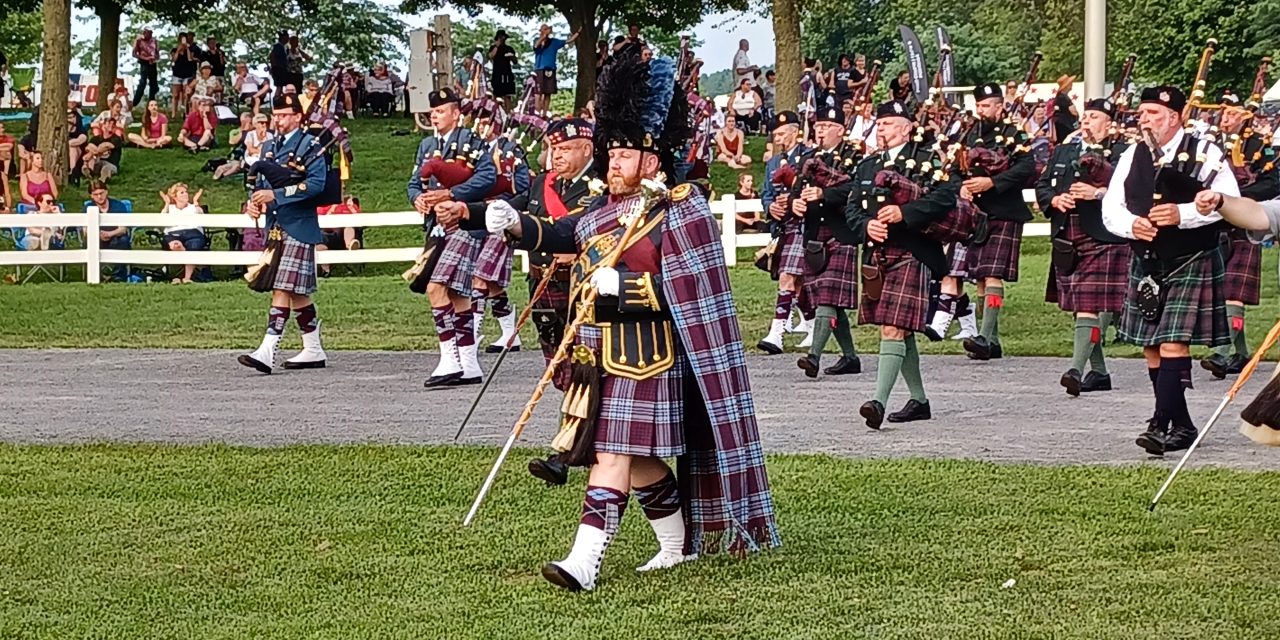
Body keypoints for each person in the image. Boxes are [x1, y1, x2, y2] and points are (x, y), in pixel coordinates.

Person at [457, 51, 779, 592]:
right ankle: (677, 547)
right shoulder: (602, 209)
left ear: (652, 162)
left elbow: (694, 291)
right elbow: (564, 235)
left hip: (650, 353)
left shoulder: (683, 208)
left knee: (610, 454)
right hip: (596, 351)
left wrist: (626, 287)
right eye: (611, 155)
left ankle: (584, 562)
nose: (613, 165)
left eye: (624, 156)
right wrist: (516, 225)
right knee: (642, 458)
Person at [1100, 85, 1239, 457]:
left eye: (1154, 114)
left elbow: (1229, 203)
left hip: (1190, 258)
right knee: (1151, 347)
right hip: (1147, 261)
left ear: (1175, 117)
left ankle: (1161, 424)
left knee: (1172, 342)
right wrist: (1132, 226)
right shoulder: (1133, 154)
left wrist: (1185, 214)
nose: (1144, 120)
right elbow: (1112, 207)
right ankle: (1183, 425)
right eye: (1142, 114)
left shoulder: (1206, 153)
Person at [463, 117, 599, 489]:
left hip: (579, 287)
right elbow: (515, 206)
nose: (557, 156)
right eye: (553, 149)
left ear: (586, 149)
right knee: (561, 372)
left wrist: (520, 223)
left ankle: (567, 453)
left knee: (581, 372)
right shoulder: (544, 182)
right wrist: (466, 211)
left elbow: (570, 227)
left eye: (566, 149)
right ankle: (585, 444)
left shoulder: (598, 185)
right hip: (543, 285)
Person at [847, 100, 959, 428]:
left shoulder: (925, 160)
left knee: (893, 327)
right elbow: (853, 209)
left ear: (906, 128)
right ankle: (919, 401)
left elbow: (945, 197)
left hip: (914, 251)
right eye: (879, 124)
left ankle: (878, 403)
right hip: (878, 255)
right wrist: (867, 225)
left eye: (889, 124)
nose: (881, 130)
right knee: (901, 330)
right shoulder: (867, 166)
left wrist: (904, 213)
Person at [1035, 98, 1131, 396]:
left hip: (1105, 235)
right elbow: (1043, 185)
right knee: (1080, 308)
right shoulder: (1065, 150)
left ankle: (1075, 370)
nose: (1086, 121)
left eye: (1094, 116)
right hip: (1068, 233)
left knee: (1087, 306)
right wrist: (1054, 200)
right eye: (1085, 116)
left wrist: (1099, 192)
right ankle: (1100, 373)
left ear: (1109, 123)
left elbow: (1134, 191)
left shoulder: (1124, 152)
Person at [407, 88, 497, 387]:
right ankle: (469, 364)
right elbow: (413, 182)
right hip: (436, 227)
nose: (435, 115)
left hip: (463, 225)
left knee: (436, 288)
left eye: (441, 110)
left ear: (457, 114)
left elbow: (488, 178)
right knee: (458, 295)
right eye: (433, 111)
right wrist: (417, 198)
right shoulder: (426, 145)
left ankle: (449, 359)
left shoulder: (472, 142)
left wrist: (453, 194)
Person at [239, 92, 332, 374]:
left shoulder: (311, 145)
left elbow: (316, 185)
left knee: (282, 286)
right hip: (277, 227)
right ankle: (313, 349)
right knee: (297, 293)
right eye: (275, 116)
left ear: (297, 116)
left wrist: (276, 195)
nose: (278, 121)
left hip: (300, 225)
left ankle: (268, 350)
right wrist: (254, 202)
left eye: (283, 116)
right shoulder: (269, 146)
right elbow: (259, 180)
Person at [1199, 94, 1280, 378]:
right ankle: (1238, 352)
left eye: (1232, 114)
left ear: (1244, 116)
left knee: (1234, 290)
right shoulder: (1209, 147)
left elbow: (1272, 183)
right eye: (1224, 114)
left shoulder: (1261, 146)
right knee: (1221, 290)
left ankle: (1224, 354)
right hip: (1214, 223)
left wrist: (1237, 199)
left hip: (1245, 222)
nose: (1226, 119)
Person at [957, 82, 1037, 361]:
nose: (982, 110)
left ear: (1000, 106)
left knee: (992, 274)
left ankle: (983, 336)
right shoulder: (969, 133)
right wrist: (962, 187)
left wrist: (992, 182)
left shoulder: (1014, 134)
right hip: (976, 214)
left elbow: (1028, 168)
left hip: (1004, 210)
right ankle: (991, 341)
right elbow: (956, 168)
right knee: (979, 278)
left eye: (987, 105)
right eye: (979, 105)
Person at [792, 105, 863, 379]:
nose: (820, 130)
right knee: (831, 302)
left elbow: (856, 189)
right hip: (814, 237)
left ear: (840, 130)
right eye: (817, 126)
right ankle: (850, 357)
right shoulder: (808, 158)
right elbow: (797, 190)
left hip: (841, 233)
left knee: (826, 298)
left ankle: (814, 357)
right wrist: (795, 203)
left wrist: (824, 193)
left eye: (826, 126)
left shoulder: (854, 157)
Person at [468, 107, 532, 352]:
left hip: (500, 220)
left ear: (495, 125)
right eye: (479, 121)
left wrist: (503, 209)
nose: (480, 126)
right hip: (475, 220)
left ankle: (471, 333)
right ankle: (510, 333)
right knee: (492, 283)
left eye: (485, 122)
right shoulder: (472, 149)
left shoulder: (511, 150)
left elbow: (523, 189)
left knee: (481, 276)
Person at [758, 111, 814, 354]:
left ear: (795, 131)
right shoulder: (773, 162)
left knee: (787, 278)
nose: (778, 138)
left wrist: (792, 201)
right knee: (797, 282)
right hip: (783, 227)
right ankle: (812, 325)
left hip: (803, 225)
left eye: (782, 133)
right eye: (776, 134)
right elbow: (765, 193)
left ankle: (777, 333)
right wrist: (771, 207)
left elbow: (812, 190)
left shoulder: (810, 158)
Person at [159, 182, 206, 284]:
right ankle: (178, 275)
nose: (185, 194)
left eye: (186, 192)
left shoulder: (193, 207)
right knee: (176, 245)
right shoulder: (170, 208)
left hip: (193, 233)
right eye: (182, 192)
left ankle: (187, 278)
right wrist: (166, 204)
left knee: (194, 246)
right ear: (174, 196)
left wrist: (196, 202)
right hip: (173, 234)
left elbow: (202, 215)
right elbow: (161, 220)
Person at [87, 180, 133, 281]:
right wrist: (98, 235)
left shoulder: (118, 205)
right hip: (97, 239)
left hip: (116, 236)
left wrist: (110, 234)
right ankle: (97, 276)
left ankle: (117, 276)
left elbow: (123, 228)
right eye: (96, 194)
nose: (99, 197)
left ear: (106, 192)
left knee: (123, 241)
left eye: (101, 193)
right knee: (89, 242)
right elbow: (85, 230)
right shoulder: (88, 207)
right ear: (91, 195)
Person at [532, 24, 580, 115]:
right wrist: (543, 37)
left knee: (548, 92)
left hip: (551, 69)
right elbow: (536, 46)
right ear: (541, 31)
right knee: (538, 92)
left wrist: (578, 33)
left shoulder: (554, 42)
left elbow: (568, 41)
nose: (547, 31)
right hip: (540, 69)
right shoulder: (537, 41)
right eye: (545, 29)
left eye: (548, 29)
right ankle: (537, 112)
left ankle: (545, 113)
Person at [316, 194, 363, 276]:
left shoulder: (350, 205)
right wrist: (334, 206)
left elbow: (360, 218)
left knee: (349, 226)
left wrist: (350, 206)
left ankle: (350, 245)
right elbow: (321, 221)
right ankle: (326, 270)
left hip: (343, 235)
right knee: (320, 242)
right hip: (328, 233)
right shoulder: (323, 204)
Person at [82, 113, 124, 181]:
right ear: (103, 125)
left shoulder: (116, 139)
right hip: (98, 162)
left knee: (106, 168)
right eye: (108, 124)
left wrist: (94, 152)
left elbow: (107, 145)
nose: (110, 126)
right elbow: (88, 147)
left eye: (113, 125)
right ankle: (89, 173)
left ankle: (103, 180)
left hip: (111, 164)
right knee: (89, 160)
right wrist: (92, 152)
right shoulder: (96, 139)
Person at [170, 33, 199, 118]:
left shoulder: (189, 49)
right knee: (175, 95)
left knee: (187, 94)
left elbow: (190, 59)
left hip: (187, 75)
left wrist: (187, 48)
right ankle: (174, 113)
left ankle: (186, 112)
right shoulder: (174, 50)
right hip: (177, 74)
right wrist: (179, 50)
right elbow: (174, 59)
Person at [489, 30, 517, 110]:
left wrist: (511, 57)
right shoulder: (493, 47)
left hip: (507, 73)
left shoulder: (509, 48)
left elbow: (515, 61)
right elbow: (491, 56)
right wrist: (497, 46)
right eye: (501, 37)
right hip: (497, 74)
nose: (502, 39)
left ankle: (508, 113)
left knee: (507, 95)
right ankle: (495, 111)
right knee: (496, 94)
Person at [132, 28, 160, 106]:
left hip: (152, 63)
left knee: (153, 84)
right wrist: (145, 58)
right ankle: (135, 102)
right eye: (148, 33)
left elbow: (157, 54)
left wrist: (154, 58)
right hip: (144, 63)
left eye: (151, 33)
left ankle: (152, 101)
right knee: (142, 82)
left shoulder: (154, 41)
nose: (150, 34)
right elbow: (134, 54)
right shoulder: (139, 41)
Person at [1050, 75, 1079, 144]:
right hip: (1066, 126)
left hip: (1063, 125)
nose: (1072, 85)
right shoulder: (1063, 98)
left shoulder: (1061, 97)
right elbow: (1073, 111)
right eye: (1070, 83)